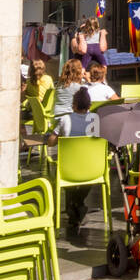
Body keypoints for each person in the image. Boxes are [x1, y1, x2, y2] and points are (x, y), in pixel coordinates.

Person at [50, 87, 100, 237]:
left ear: (74, 105)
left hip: (68, 169)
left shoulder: (65, 119)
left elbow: (51, 142)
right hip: (92, 170)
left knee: (64, 175)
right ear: (89, 106)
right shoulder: (95, 120)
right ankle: (78, 205)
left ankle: (74, 207)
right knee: (88, 178)